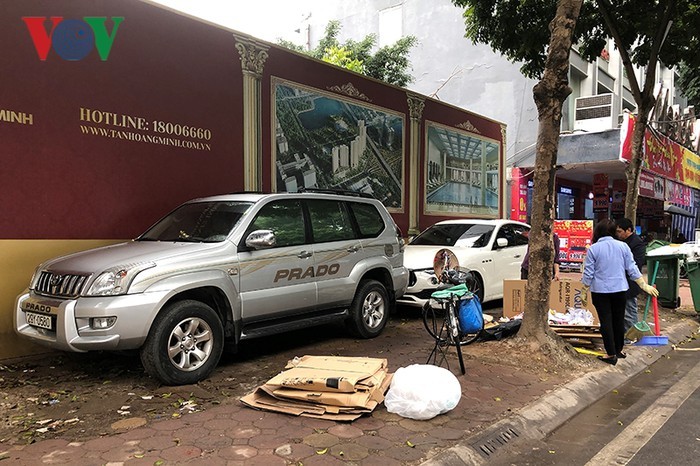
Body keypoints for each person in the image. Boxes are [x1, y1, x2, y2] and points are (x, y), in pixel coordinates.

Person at [581, 219, 658, 365]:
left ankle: (610, 354)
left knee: (606, 322)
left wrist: (584, 290)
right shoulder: (623, 247)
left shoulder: (594, 249)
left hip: (600, 291)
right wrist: (644, 285)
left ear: (598, 232)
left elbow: (588, 273)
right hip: (620, 289)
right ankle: (619, 350)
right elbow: (632, 268)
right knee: (618, 320)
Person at [615, 218, 646, 336]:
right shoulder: (619, 242)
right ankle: (623, 334)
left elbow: (636, 264)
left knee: (629, 310)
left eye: (620, 231)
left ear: (628, 230)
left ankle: (631, 336)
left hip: (630, 282)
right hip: (619, 282)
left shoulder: (637, 243)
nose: (618, 234)